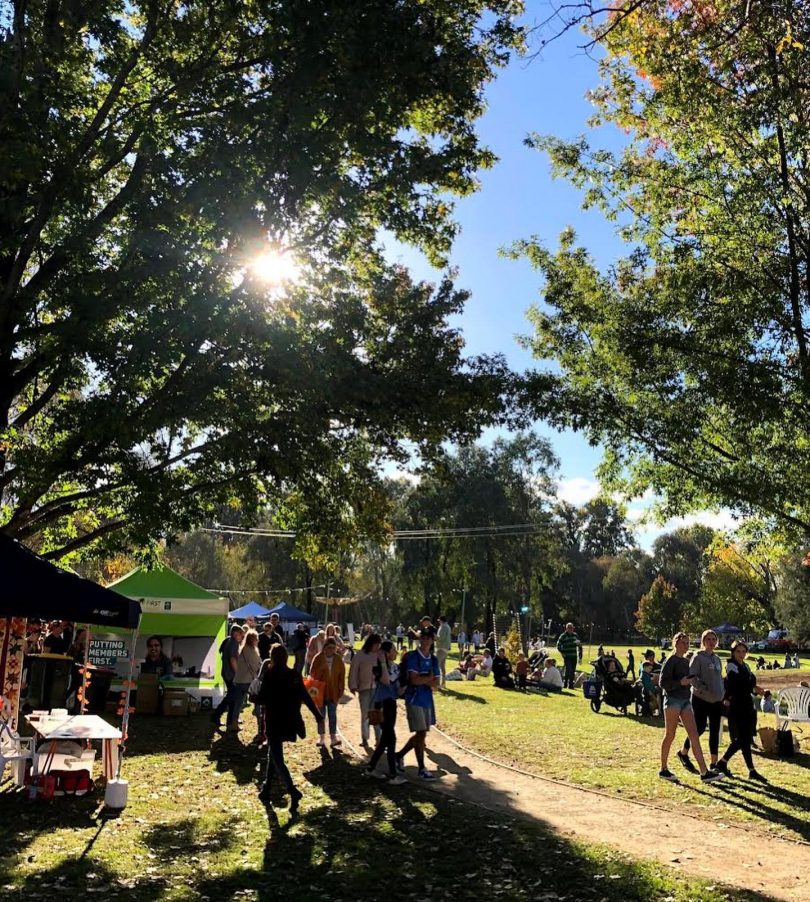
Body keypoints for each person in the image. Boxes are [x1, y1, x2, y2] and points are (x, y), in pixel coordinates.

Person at [256, 643, 324, 811]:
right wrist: (317, 715)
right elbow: (306, 696)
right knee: (273, 753)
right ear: (286, 657)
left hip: (273, 720)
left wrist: (252, 697)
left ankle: (292, 790)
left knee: (277, 757)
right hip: (290, 720)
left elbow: (262, 698)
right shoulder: (293, 674)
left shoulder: (270, 675)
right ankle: (266, 789)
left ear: (272, 658)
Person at [658, 632, 723, 784]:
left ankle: (704, 772)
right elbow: (663, 683)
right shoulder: (671, 660)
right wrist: (680, 683)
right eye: (683, 643)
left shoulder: (686, 661)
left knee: (694, 735)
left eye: (687, 643)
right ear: (675, 643)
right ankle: (663, 768)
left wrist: (696, 683)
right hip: (672, 700)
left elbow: (692, 678)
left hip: (685, 701)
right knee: (670, 734)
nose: (685, 645)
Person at [714, 640, 767, 782]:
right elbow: (736, 683)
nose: (741, 654)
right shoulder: (731, 665)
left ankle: (748, 769)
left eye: (743, 651)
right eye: (738, 651)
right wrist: (750, 684)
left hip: (747, 705)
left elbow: (748, 685)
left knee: (745, 740)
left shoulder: (746, 666)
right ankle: (724, 763)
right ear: (733, 652)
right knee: (742, 739)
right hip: (737, 706)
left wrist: (756, 689)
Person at [676, 630, 724, 773]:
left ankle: (714, 763)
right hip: (701, 699)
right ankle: (683, 753)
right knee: (699, 728)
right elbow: (691, 677)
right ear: (703, 641)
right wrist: (702, 688)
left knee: (715, 730)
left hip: (716, 700)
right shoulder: (698, 657)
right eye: (708, 639)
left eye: (713, 639)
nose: (711, 641)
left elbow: (718, 677)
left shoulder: (717, 659)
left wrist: (722, 692)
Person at [396, 630, 440, 780]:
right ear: (419, 640)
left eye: (429, 638)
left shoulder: (433, 659)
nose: (426, 641)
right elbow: (413, 680)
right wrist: (428, 678)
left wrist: (425, 679)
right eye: (424, 638)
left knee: (421, 734)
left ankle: (399, 756)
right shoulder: (413, 657)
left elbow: (437, 684)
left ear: (433, 641)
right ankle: (421, 768)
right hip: (414, 698)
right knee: (421, 732)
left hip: (427, 700)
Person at [364, 640, 407, 784]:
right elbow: (386, 681)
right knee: (390, 738)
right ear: (387, 653)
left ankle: (370, 768)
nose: (396, 652)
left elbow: (397, 688)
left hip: (391, 703)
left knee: (385, 740)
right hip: (382, 704)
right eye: (394, 650)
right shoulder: (378, 667)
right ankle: (393, 775)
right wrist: (382, 662)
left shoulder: (396, 667)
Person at [309, 636, 346, 748]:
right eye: (329, 647)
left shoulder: (338, 659)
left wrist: (341, 690)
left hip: (333, 692)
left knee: (332, 715)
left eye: (334, 648)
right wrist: (323, 668)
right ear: (325, 647)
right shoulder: (318, 658)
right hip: (320, 691)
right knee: (321, 715)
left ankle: (333, 737)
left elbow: (342, 676)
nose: (331, 650)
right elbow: (312, 674)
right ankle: (321, 737)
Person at [349, 633, 382, 747]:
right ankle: (365, 738)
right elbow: (353, 671)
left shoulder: (379, 655)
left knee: (376, 714)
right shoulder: (360, 655)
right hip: (364, 689)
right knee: (365, 714)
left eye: (379, 645)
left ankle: (379, 739)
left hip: (377, 689)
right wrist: (353, 685)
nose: (377, 647)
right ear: (371, 644)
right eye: (376, 645)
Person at [212, 624, 244, 731]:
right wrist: (237, 673)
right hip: (231, 675)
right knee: (230, 698)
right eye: (240, 634)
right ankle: (217, 716)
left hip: (226, 673)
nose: (242, 636)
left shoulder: (228, 641)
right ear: (235, 633)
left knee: (231, 698)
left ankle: (228, 721)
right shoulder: (233, 643)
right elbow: (232, 659)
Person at [232, 629, 262, 735]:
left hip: (241, 679)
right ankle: (260, 722)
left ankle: (233, 723)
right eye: (256, 638)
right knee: (258, 701)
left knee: (239, 702)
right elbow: (256, 666)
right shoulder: (251, 650)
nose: (258, 640)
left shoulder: (243, 649)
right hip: (248, 680)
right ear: (252, 639)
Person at [556, 623, 580, 689]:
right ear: (567, 628)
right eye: (569, 628)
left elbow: (578, 644)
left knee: (573, 670)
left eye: (572, 628)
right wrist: (562, 652)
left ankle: (571, 685)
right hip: (567, 656)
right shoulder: (563, 636)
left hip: (574, 656)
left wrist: (578, 645)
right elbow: (558, 645)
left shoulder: (575, 635)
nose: (571, 629)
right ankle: (565, 683)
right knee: (568, 669)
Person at [435, 616, 452, 688]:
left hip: (441, 648)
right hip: (445, 648)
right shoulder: (448, 626)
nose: (439, 622)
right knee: (442, 666)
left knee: (437, 666)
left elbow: (440, 638)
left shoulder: (443, 627)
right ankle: (443, 683)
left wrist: (434, 636)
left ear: (441, 621)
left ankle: (438, 684)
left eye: (439, 621)